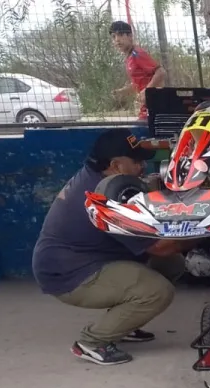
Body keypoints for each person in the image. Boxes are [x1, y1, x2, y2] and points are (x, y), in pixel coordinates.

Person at [32, 128, 187, 366]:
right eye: (136, 162)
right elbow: (160, 247)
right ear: (115, 165)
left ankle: (123, 324)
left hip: (88, 258)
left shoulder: (100, 177)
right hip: (70, 273)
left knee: (171, 264)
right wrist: (208, 233)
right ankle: (92, 342)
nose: (142, 167)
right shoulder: (111, 194)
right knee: (157, 291)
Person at [109, 21, 166, 121]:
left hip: (154, 106)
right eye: (114, 36)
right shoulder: (129, 57)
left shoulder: (137, 54)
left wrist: (146, 91)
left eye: (121, 35)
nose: (117, 40)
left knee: (136, 129)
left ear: (130, 36)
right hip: (145, 107)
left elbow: (161, 72)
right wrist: (121, 91)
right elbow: (138, 83)